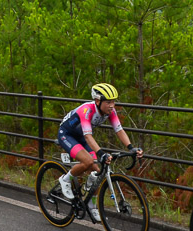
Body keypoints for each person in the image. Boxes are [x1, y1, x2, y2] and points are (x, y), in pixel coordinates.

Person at [56, 83, 142, 223]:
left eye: (113, 102)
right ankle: (65, 179)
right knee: (88, 161)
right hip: (67, 135)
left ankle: (91, 204)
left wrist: (131, 147)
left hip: (82, 137)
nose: (112, 105)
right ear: (97, 101)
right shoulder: (87, 110)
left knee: (97, 172)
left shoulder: (111, 112)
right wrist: (101, 153)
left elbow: (119, 130)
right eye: (108, 102)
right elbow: (89, 136)